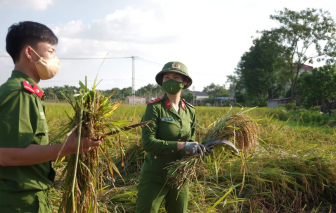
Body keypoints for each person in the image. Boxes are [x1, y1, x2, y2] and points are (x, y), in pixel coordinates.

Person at [0, 21, 101, 212]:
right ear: (30, 53)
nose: (55, 59)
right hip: (21, 202)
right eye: (51, 51)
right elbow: (7, 155)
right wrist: (68, 148)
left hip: (29, 196)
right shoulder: (20, 93)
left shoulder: (28, 92)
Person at [136, 61, 210, 213]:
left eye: (176, 77)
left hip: (180, 177)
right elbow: (148, 143)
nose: (170, 80)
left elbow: (191, 140)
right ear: (162, 81)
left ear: (185, 82)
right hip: (155, 176)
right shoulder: (154, 108)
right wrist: (182, 145)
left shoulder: (189, 110)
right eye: (167, 77)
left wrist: (198, 149)